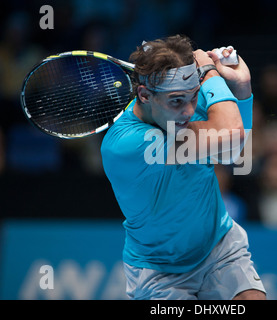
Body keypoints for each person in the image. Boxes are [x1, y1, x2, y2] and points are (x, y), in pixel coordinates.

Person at [101, 35, 266, 300]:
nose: (189, 111)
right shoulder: (127, 145)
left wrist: (243, 87)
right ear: (144, 94)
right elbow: (232, 131)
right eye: (177, 101)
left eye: (194, 97)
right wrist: (211, 73)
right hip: (159, 272)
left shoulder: (178, 108)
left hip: (218, 245)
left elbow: (233, 152)